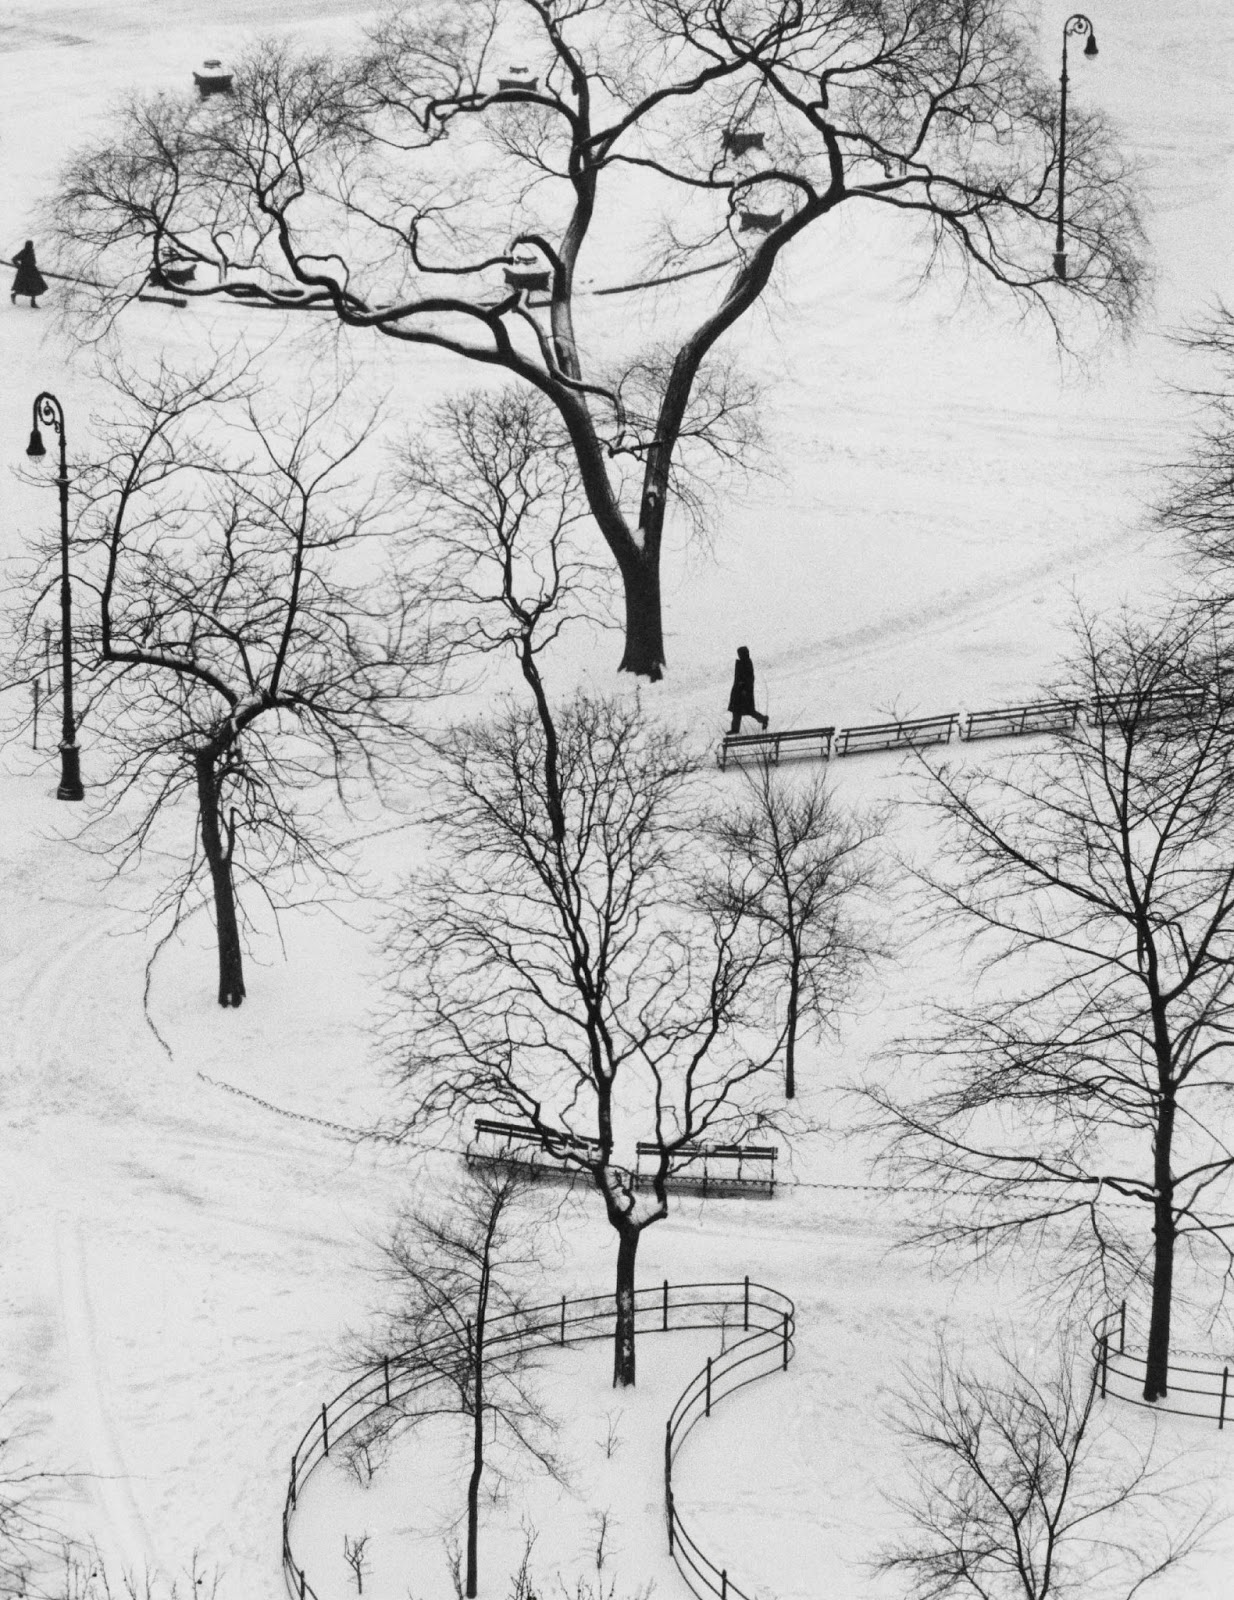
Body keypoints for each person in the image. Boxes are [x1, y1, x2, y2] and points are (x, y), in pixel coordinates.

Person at [727, 645, 769, 734]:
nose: (738, 655)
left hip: (743, 692)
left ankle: (762, 719)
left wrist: (744, 690)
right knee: (739, 711)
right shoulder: (743, 662)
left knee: (744, 710)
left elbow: (749, 678)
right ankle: (735, 729)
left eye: (740, 653)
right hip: (740, 691)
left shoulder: (746, 663)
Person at [11, 241, 48, 308]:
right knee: (23, 287)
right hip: (24, 272)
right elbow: (14, 259)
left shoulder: (31, 252)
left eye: (31, 245)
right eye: (30, 245)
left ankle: (33, 303)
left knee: (35, 287)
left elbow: (33, 261)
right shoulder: (23, 252)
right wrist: (19, 266)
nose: (31, 246)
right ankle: (14, 295)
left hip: (33, 271)